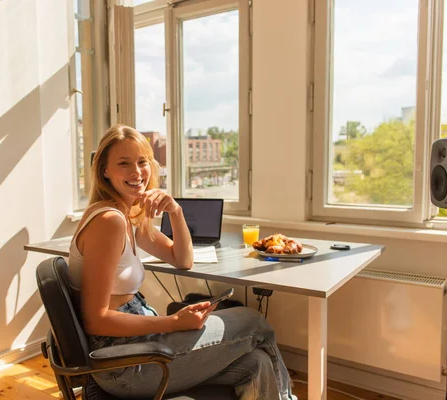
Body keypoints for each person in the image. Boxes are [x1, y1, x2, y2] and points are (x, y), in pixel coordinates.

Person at [68, 124, 293, 399]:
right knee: (253, 321)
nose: (137, 172)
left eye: (142, 162)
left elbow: (182, 259)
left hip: (137, 346)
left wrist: (175, 210)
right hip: (123, 363)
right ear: (105, 170)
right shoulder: (109, 221)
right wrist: (174, 322)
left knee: (255, 363)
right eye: (124, 163)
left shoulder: (127, 216)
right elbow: (96, 320)